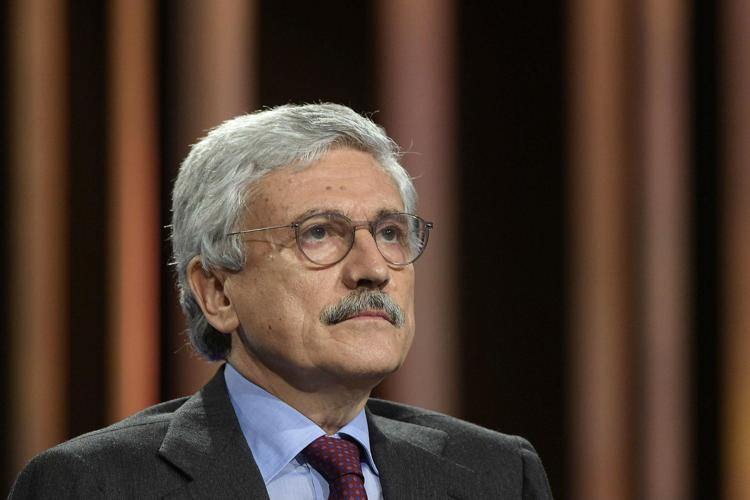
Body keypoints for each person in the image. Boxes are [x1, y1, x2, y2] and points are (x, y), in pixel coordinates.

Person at [9, 103, 553, 499]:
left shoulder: (498, 474)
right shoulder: (95, 484)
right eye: (319, 233)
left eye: (390, 232)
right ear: (217, 291)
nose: (372, 270)